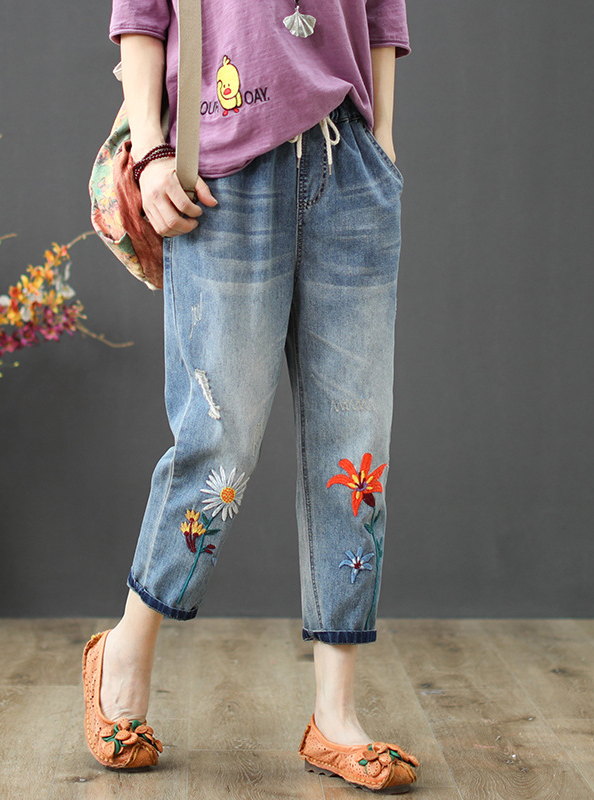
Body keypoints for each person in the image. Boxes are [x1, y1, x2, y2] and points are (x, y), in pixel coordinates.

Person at [82, 0, 420, 792]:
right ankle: (125, 651)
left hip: (349, 163)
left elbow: (381, 16)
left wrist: (383, 145)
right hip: (221, 167)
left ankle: (336, 716)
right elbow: (141, 15)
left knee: (355, 449)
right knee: (219, 440)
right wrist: (153, 152)